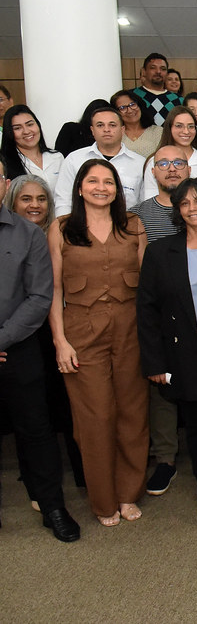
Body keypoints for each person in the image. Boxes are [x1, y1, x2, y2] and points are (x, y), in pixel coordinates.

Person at [47, 159, 149, 527]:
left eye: (109, 182)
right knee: (95, 417)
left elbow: (149, 289)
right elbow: (54, 291)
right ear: (79, 188)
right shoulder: (60, 230)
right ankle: (103, 501)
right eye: (93, 181)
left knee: (132, 414)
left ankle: (127, 494)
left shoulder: (134, 226)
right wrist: (60, 341)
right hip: (81, 334)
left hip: (130, 330)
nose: (101, 187)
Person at [137, 178, 197, 524]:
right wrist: (154, 362)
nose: (193, 208)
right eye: (184, 203)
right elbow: (147, 311)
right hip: (186, 354)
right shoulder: (161, 251)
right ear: (177, 211)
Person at [0, 162, 81, 542]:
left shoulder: (28, 234)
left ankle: (52, 507)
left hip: (18, 348)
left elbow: (38, 297)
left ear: (3, 183)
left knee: (36, 431)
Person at [55, 107, 146, 215]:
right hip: (81, 227)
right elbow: (64, 200)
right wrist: (65, 228)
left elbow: (145, 203)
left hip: (127, 227)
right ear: (92, 130)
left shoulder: (140, 163)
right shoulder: (74, 159)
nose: (106, 129)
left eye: (112, 125)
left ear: (122, 130)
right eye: (100, 125)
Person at [141, 106, 197, 200]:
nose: (186, 131)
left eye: (191, 126)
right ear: (169, 128)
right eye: (179, 126)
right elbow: (149, 199)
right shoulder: (154, 161)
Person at [1, 105, 69, 189]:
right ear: (9, 133)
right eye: (18, 128)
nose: (26, 131)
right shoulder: (5, 164)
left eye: (30, 124)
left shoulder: (57, 157)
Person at [132, 53, 184, 126]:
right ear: (143, 72)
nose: (158, 71)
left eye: (163, 69)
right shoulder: (131, 96)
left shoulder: (178, 99)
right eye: (153, 68)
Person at [111, 90, 162, 159]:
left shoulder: (158, 131)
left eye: (132, 104)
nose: (130, 110)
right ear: (116, 113)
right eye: (122, 108)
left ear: (140, 106)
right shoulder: (114, 134)